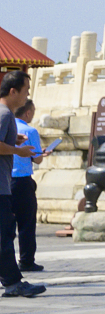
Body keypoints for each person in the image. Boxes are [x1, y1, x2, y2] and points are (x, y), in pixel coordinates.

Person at [0, 72, 41, 299]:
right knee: (4, 235)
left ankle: (12, 281)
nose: (27, 94)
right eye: (25, 89)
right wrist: (18, 151)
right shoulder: (5, 114)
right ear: (12, 91)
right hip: (0, 188)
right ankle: (13, 282)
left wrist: (11, 140)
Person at [11, 99, 45, 274]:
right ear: (28, 113)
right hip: (23, 180)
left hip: (5, 179)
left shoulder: (7, 126)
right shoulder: (29, 130)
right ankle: (26, 260)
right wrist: (43, 153)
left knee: (6, 223)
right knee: (26, 223)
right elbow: (37, 157)